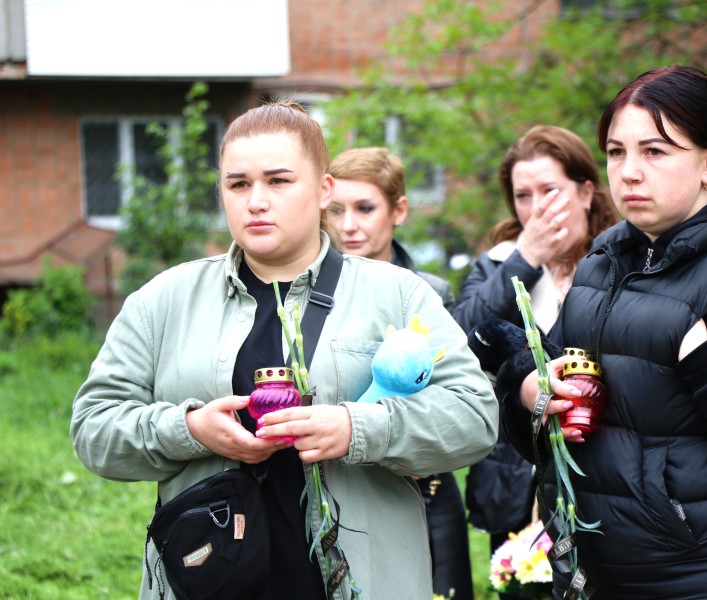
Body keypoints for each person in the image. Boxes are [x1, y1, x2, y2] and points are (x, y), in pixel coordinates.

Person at [69, 100, 498, 600]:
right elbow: (94, 428)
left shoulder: (398, 294)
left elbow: (475, 418)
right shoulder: (163, 300)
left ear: (324, 190)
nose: (256, 201)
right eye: (238, 184)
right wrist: (190, 430)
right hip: (210, 583)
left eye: (278, 181)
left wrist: (356, 428)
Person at [497, 66, 707, 598]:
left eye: (654, 151)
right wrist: (531, 395)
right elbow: (552, 429)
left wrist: (702, 358)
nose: (629, 172)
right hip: (596, 577)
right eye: (616, 152)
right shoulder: (599, 266)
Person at [451, 124, 617, 594]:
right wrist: (526, 257)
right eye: (523, 196)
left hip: (602, 470)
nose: (536, 208)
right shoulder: (500, 261)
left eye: (550, 190)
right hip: (516, 477)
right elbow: (460, 337)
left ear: (586, 191)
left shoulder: (617, 258)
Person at [326, 146, 471, 600]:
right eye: (336, 210)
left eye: (365, 208)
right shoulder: (312, 294)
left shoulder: (430, 293)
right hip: (339, 484)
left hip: (425, 485)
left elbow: (455, 397)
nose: (348, 225)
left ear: (399, 210)